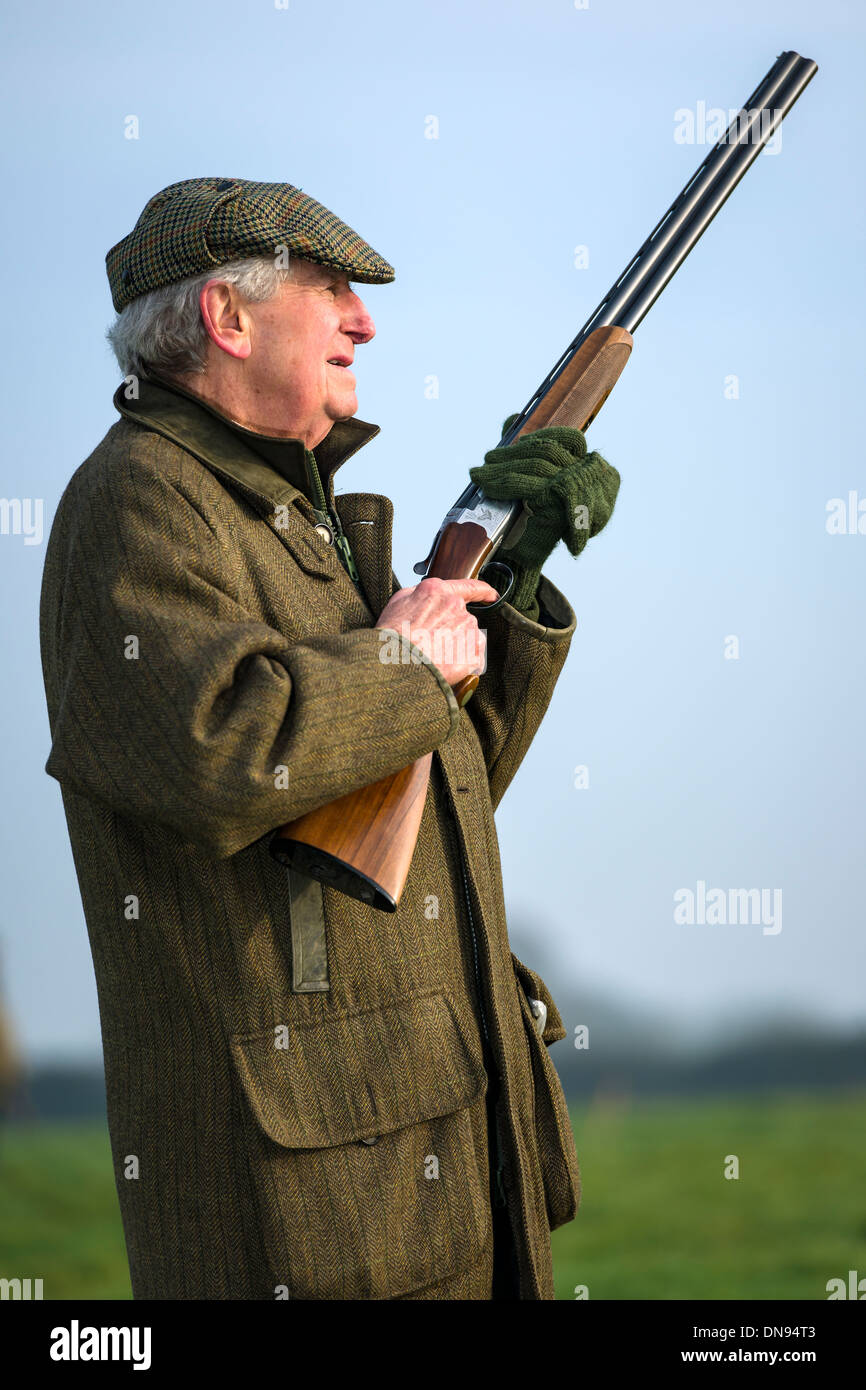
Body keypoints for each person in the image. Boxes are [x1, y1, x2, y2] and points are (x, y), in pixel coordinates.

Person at [39, 177, 620, 1300]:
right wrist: (401, 658)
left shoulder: (291, 517)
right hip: (313, 1212)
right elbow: (219, 753)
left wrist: (505, 577)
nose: (364, 320)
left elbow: (429, 791)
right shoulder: (139, 499)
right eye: (332, 290)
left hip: (426, 1150)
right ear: (226, 317)